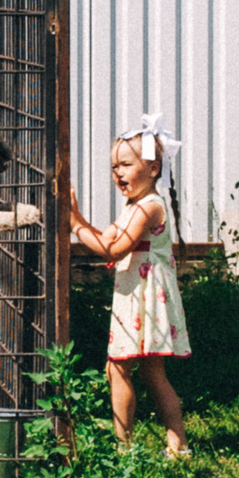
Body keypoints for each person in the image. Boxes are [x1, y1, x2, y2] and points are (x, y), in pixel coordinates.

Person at [67, 115, 190, 458]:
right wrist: (77, 219)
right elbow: (105, 238)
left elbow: (113, 248)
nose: (118, 172)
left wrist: (75, 223)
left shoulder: (149, 207)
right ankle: (176, 445)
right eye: (113, 167)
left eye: (125, 164)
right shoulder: (134, 207)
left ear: (153, 168)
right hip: (136, 295)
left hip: (144, 298)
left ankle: (124, 448)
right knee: (147, 373)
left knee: (119, 367)